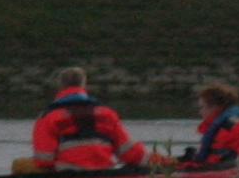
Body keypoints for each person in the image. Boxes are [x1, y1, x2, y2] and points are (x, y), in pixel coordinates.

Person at [19, 66, 148, 171]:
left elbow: (44, 161)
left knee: (20, 165)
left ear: (60, 86)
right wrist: (165, 162)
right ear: (83, 86)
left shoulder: (48, 117)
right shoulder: (106, 114)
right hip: (103, 175)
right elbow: (132, 154)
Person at [179, 81, 239, 171]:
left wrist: (230, 160)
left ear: (215, 107)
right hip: (215, 171)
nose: (200, 112)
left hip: (227, 173)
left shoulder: (236, 127)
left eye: (202, 107)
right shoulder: (221, 128)